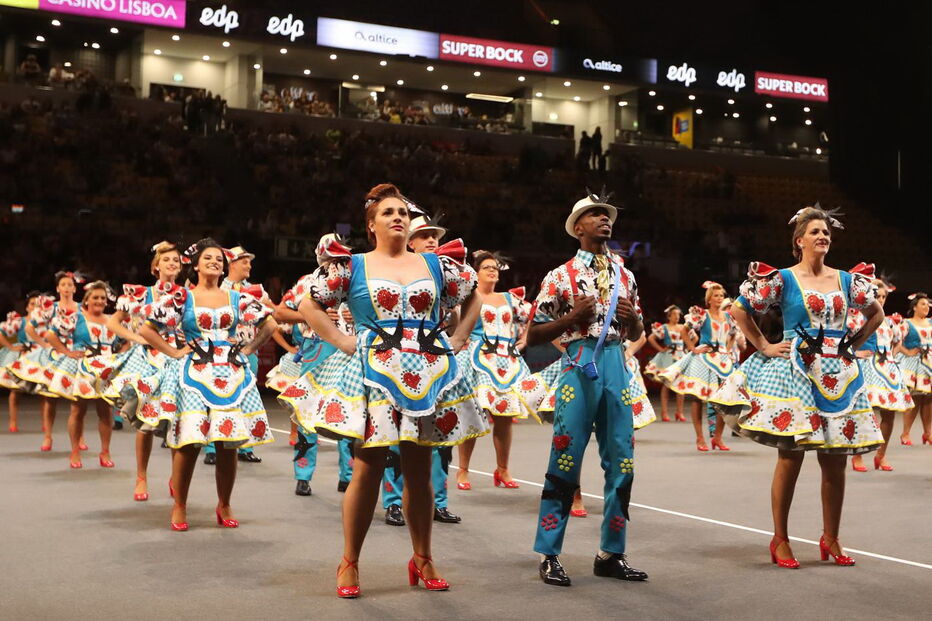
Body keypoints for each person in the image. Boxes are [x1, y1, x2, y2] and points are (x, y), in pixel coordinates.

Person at [279, 184, 488, 598]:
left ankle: (423, 557)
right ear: (371, 224)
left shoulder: (435, 266)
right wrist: (341, 340)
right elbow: (307, 304)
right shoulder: (352, 265)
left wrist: (461, 335)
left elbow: (474, 295)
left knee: (420, 470)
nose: (398, 217)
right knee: (369, 466)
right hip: (375, 373)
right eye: (388, 212)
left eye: (403, 213)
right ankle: (350, 561)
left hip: (427, 372)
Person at [711, 205, 884, 568]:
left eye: (827, 233)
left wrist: (852, 343)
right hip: (797, 375)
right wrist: (764, 345)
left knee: (835, 460)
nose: (823, 236)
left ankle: (831, 538)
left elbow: (877, 314)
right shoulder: (783, 279)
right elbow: (740, 310)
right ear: (799, 240)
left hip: (840, 376)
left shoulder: (847, 280)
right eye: (816, 232)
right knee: (791, 457)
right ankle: (780, 539)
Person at [528, 189, 648, 587]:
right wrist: (572, 317)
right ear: (577, 228)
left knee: (622, 461)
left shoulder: (626, 276)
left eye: (606, 214)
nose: (603, 219)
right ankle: (549, 553)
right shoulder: (559, 276)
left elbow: (638, 331)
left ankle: (611, 553)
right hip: (578, 364)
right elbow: (532, 335)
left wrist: (630, 323)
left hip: (616, 363)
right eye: (594, 215)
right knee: (565, 459)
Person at [138, 239, 278, 531]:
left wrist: (249, 349)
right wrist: (175, 352)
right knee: (189, 443)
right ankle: (180, 506)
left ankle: (224, 503)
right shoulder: (182, 297)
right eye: (208, 258)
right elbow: (147, 329)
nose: (215, 262)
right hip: (193, 376)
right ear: (196, 264)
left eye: (219, 259)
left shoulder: (236, 297)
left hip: (230, 374)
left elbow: (270, 324)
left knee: (228, 444)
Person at [379, 213, 465, 526]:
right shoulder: (391, 269)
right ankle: (393, 501)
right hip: (395, 364)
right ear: (410, 241)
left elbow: (468, 303)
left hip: (433, 364)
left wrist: (457, 333)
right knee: (395, 438)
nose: (432, 240)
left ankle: (437, 501)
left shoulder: (443, 272)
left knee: (438, 438)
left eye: (435, 236)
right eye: (424, 235)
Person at [456, 250, 547, 491]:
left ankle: (503, 469)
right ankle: (463, 469)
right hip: (478, 360)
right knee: (473, 415)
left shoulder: (508, 298)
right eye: (486, 266)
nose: (492, 270)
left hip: (506, 361)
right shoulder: (469, 296)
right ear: (476, 272)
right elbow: (454, 321)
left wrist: (525, 339)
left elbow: (533, 314)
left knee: (505, 418)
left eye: (495, 266)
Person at [99, 242, 183, 500]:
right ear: (155, 266)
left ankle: (176, 478)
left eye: (176, 261)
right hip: (146, 362)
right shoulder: (139, 294)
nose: (172, 264)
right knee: (145, 424)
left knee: (175, 422)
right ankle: (141, 477)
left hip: (176, 360)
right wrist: (137, 338)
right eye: (167, 260)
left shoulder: (185, 295)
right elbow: (114, 322)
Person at [276, 234, 355, 497]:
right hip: (315, 350)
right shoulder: (308, 283)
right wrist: (313, 314)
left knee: (347, 412)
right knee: (308, 414)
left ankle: (348, 476)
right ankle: (303, 475)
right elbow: (280, 313)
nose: (336, 262)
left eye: (340, 257)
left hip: (348, 351)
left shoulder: (356, 280)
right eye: (331, 257)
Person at [200, 245, 279, 465]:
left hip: (245, 352)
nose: (249, 265)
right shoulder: (218, 287)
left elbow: (275, 313)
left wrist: (250, 347)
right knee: (213, 397)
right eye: (245, 261)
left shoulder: (255, 290)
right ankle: (211, 446)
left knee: (245, 397)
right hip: (216, 352)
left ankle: (246, 446)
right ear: (232, 263)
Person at [44, 281, 122, 469]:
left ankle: (105, 451)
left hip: (105, 369)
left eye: (103, 298)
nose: (99, 301)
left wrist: (119, 356)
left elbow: (125, 339)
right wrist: (67, 352)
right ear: (86, 300)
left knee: (105, 413)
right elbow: (51, 335)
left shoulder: (112, 319)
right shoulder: (76, 317)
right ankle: (75, 451)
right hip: (83, 368)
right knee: (78, 410)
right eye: (95, 297)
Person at [845, 267, 912, 472]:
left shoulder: (891, 323)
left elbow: (897, 345)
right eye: (876, 295)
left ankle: (881, 455)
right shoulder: (854, 317)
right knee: (863, 413)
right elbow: (841, 342)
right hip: (864, 368)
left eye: (883, 296)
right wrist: (854, 353)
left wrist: (891, 359)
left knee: (890, 414)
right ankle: (857, 455)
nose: (880, 299)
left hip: (886, 370)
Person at [659, 283, 736, 451]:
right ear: (709, 299)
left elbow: (733, 334)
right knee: (698, 398)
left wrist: (728, 350)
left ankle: (717, 437)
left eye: (721, 295)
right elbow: (684, 332)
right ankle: (700, 438)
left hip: (722, 361)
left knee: (724, 400)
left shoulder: (729, 316)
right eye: (716, 295)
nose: (719, 298)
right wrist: (693, 348)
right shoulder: (702, 315)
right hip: (705, 359)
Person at [0, 294, 39, 431]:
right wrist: (11, 347)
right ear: (27, 307)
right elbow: (1, 332)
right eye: (33, 304)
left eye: (38, 304)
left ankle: (46, 424)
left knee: (44, 391)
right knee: (16, 390)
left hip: (40, 356)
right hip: (22, 355)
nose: (36, 307)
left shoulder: (46, 323)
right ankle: (13, 422)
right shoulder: (20, 321)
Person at [897, 291, 931, 445]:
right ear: (915, 307)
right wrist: (908, 352)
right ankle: (905, 433)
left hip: (928, 364)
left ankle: (928, 433)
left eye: (928, 304)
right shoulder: (906, 323)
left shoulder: (931, 323)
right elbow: (897, 342)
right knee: (915, 399)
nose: (927, 307)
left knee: (929, 399)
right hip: (914, 364)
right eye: (923, 304)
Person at [644, 305, 687, 422]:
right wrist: (661, 349)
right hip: (668, 357)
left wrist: (687, 347)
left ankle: (680, 412)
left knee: (680, 385)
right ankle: (664, 412)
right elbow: (651, 338)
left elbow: (694, 337)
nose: (677, 317)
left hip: (680, 356)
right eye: (674, 315)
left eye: (678, 315)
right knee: (666, 385)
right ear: (669, 316)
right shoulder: (665, 327)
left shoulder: (683, 327)